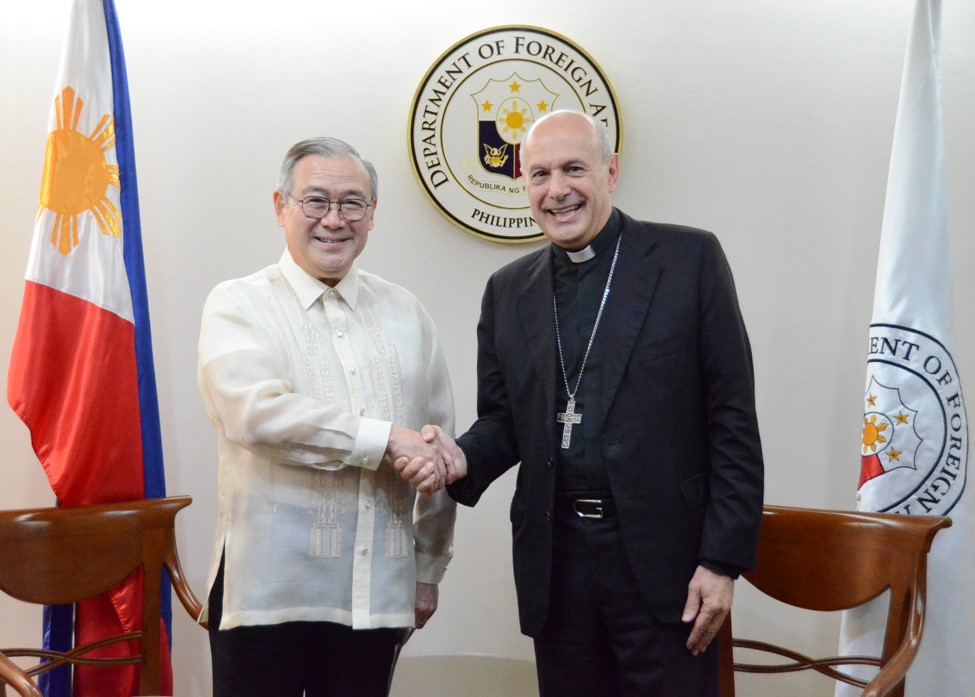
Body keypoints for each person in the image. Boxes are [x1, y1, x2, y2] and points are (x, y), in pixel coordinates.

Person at [397, 110, 764, 696]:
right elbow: (503, 421)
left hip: (665, 563)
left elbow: (733, 421)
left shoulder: (688, 261)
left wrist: (722, 563)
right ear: (523, 183)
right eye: (539, 174)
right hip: (557, 562)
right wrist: (460, 458)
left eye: (574, 169)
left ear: (611, 172)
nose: (557, 189)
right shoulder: (508, 290)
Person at [197, 137, 455, 697]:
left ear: (372, 215)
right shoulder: (238, 303)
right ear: (280, 206)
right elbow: (255, 415)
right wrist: (385, 440)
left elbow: (437, 443)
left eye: (352, 204)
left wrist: (428, 569)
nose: (334, 220)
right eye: (315, 201)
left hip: (377, 596)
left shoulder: (407, 313)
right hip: (266, 594)